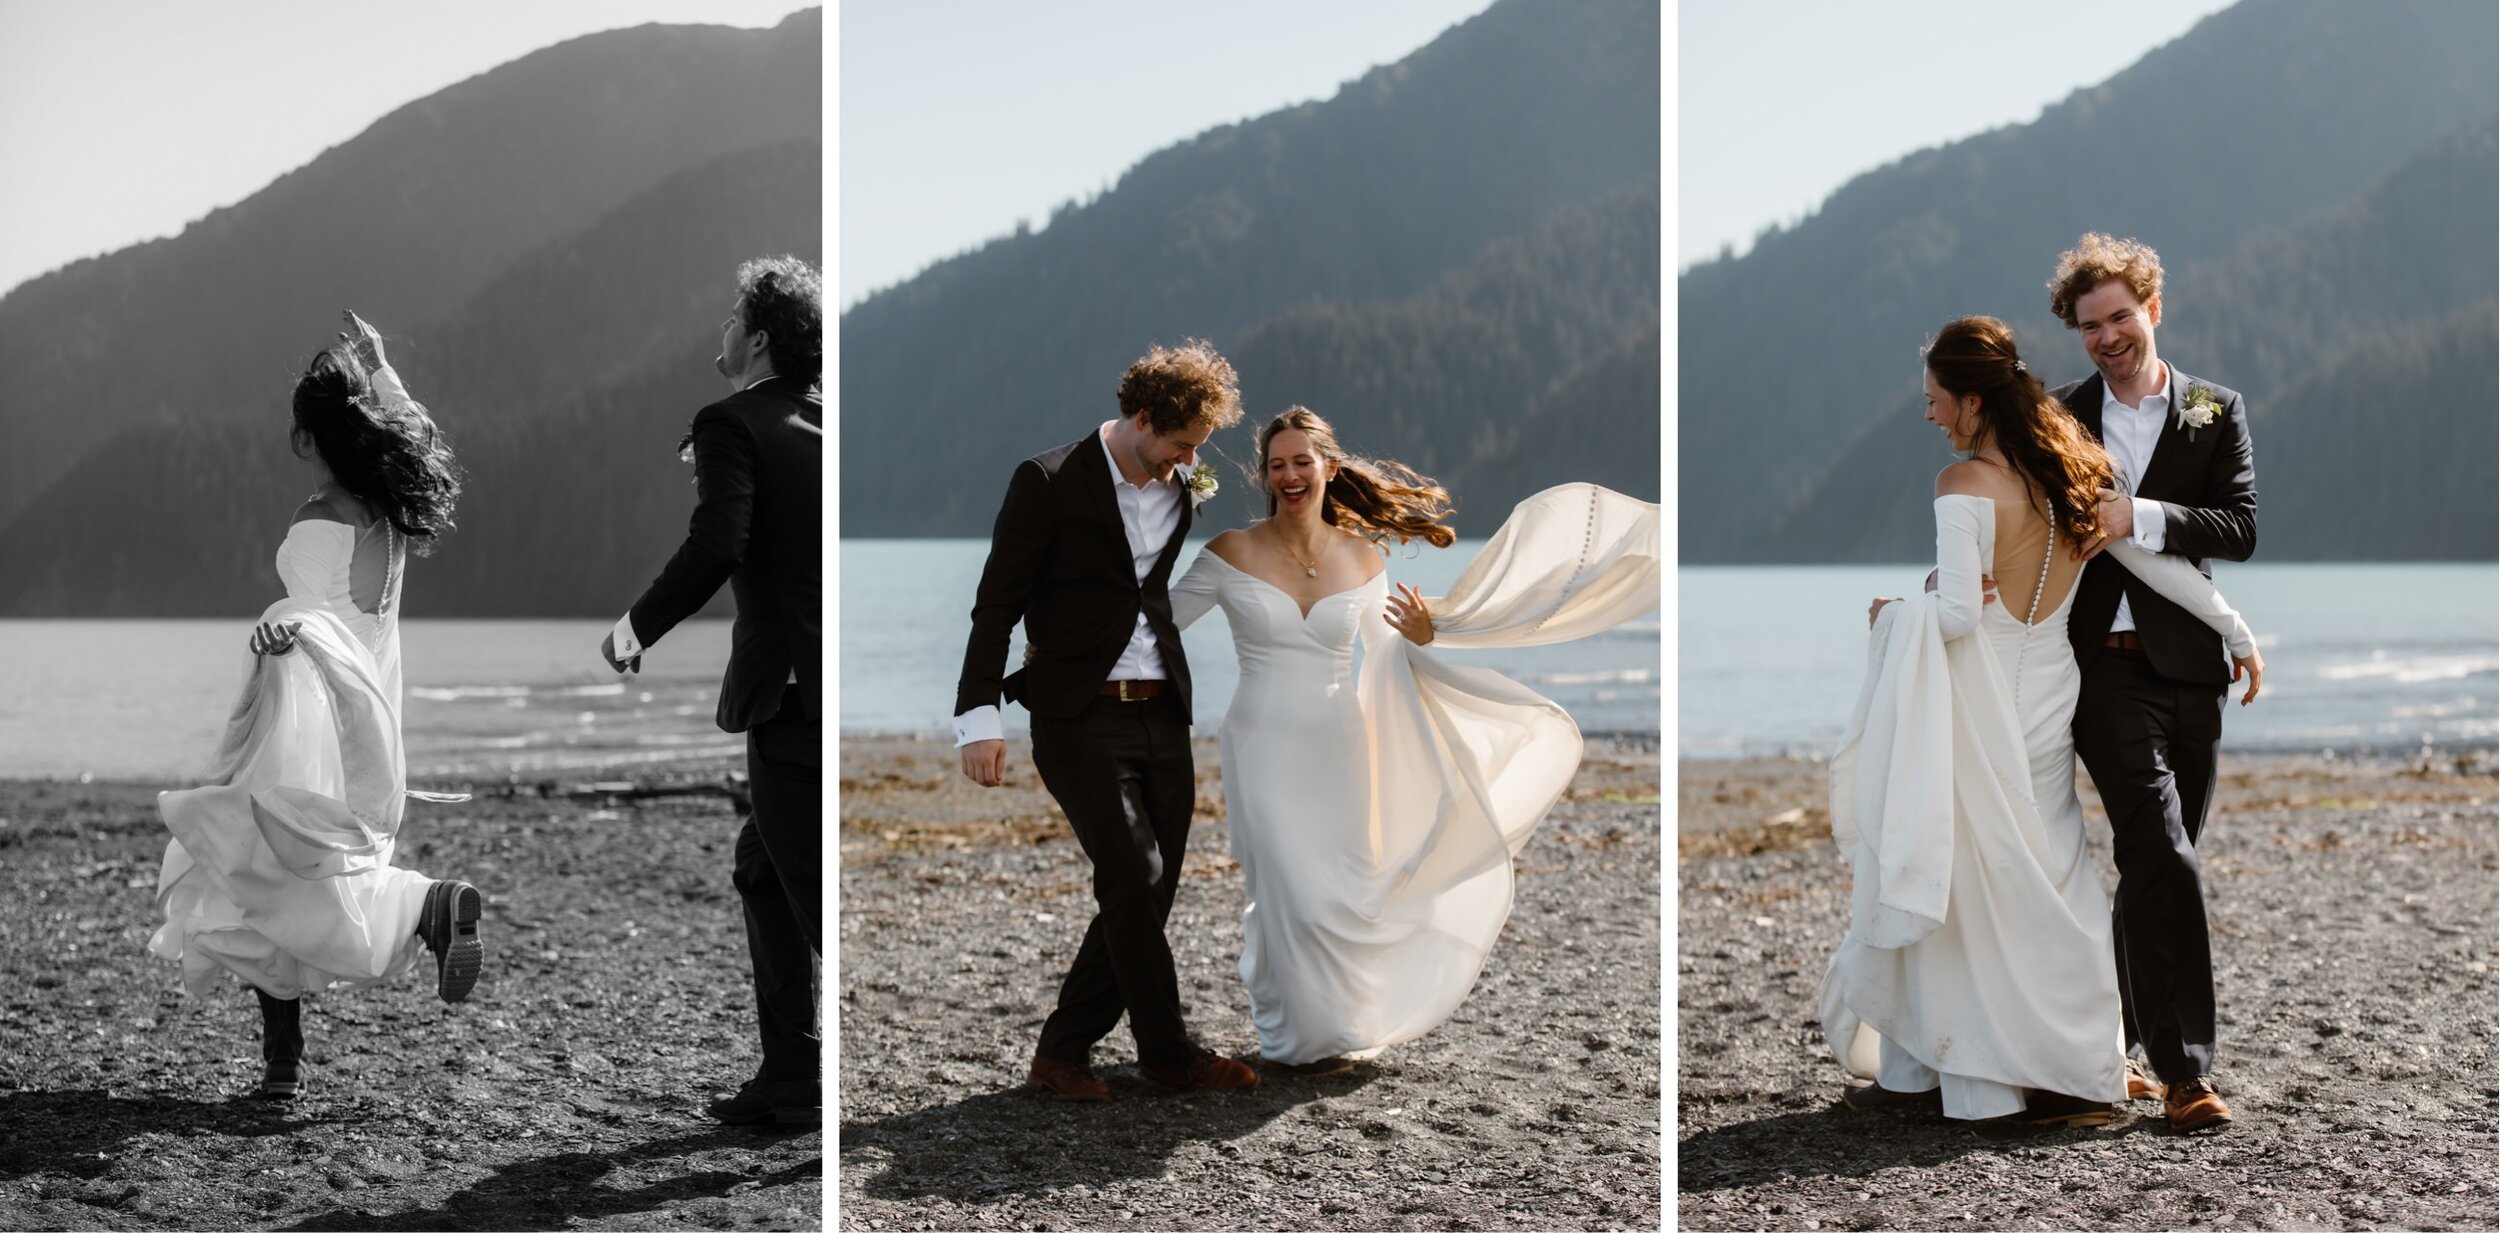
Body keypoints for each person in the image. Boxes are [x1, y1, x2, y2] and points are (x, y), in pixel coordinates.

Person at [1821, 316, 2262, 1128]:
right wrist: (2234, 627)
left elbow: (1955, 615)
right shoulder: (2071, 472)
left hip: (1984, 689)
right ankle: (2071, 1055)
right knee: (2053, 873)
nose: (1929, 415)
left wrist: (1892, 613)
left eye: (1935, 399)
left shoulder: (1961, 486)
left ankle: (1978, 1065)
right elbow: (2147, 561)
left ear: (1972, 399)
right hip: (2055, 684)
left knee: (1974, 879)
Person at [1167, 408, 1660, 1073]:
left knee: (1340, 889)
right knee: (1285, 887)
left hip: (1341, 745)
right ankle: (1291, 1040)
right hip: (1261, 744)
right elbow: (1158, 621)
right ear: (1264, 475)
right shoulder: (1230, 552)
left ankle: (1333, 1029)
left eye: (1301, 462)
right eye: (1277, 464)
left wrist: (1424, 633)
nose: (1289, 475)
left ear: (1328, 469)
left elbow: (1387, 650)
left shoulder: (1362, 556)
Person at [150, 311, 482, 1101]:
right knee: (304, 878)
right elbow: (416, 428)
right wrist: (382, 366)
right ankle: (419, 919)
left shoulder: (318, 521)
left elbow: (307, 624)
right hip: (374, 722)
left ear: (308, 435)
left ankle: (416, 917)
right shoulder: (392, 515)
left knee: (259, 871)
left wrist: (274, 638)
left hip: (313, 721)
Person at [953, 339, 1258, 1101]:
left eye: (1197, 450)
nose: (1187, 461)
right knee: (1134, 873)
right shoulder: (1048, 481)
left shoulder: (1180, 481)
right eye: (1181, 445)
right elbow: (997, 604)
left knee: (1148, 890)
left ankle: (1062, 1050)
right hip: (1076, 713)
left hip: (1164, 709)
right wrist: (976, 716)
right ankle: (1168, 1052)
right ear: (1143, 418)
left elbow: (1145, 590)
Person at [602, 256, 823, 1127]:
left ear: (760, 336)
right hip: (818, 687)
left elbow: (718, 541)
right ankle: (789, 1074)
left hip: (790, 696)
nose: (722, 325)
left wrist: (636, 628)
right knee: (761, 864)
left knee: (809, 895)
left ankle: (829, 1092)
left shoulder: (730, 422)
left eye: (735, 313)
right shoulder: (824, 423)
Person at [2047, 233, 2259, 1132]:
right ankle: (2186, 1075)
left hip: (2191, 671)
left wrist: (2147, 514)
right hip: (2099, 669)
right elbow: (2028, 530)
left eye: (2119, 318)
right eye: (2090, 326)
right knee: (2161, 852)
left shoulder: (2217, 409)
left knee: (2153, 870)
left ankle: (2112, 1046)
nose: (2107, 337)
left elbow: (2241, 527)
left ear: (2153, 310)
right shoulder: (2058, 416)